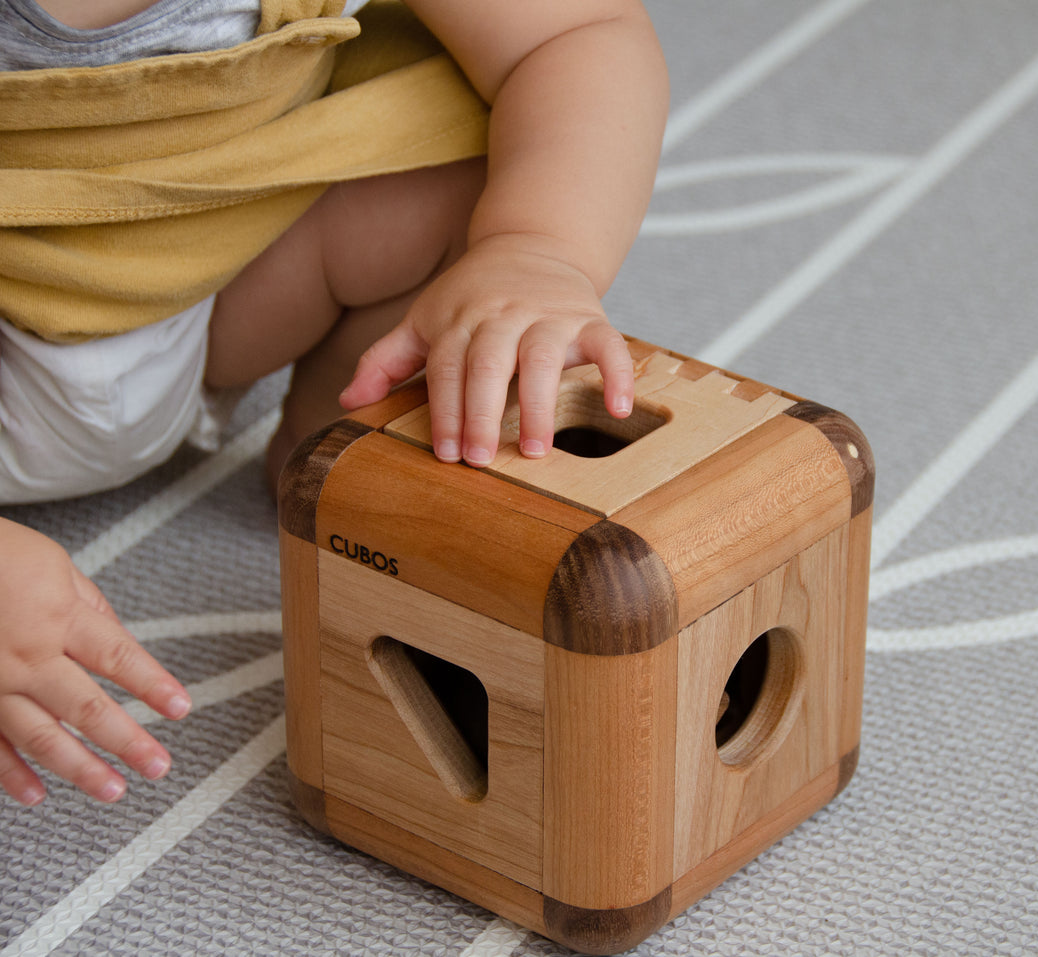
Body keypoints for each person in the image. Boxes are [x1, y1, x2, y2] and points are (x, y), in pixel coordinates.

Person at [0, 0, 669, 807]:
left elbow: (577, 31)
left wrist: (534, 249)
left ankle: (340, 464)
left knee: (485, 157)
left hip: (217, 288)